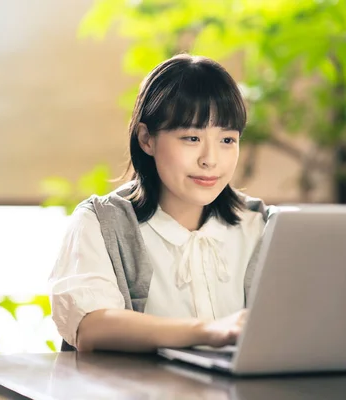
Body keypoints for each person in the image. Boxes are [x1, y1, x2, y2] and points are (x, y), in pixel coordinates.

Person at [48, 53, 272, 353]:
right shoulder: (101, 223)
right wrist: (206, 331)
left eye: (227, 140)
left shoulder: (260, 224)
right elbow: (91, 327)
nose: (210, 159)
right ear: (146, 139)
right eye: (191, 138)